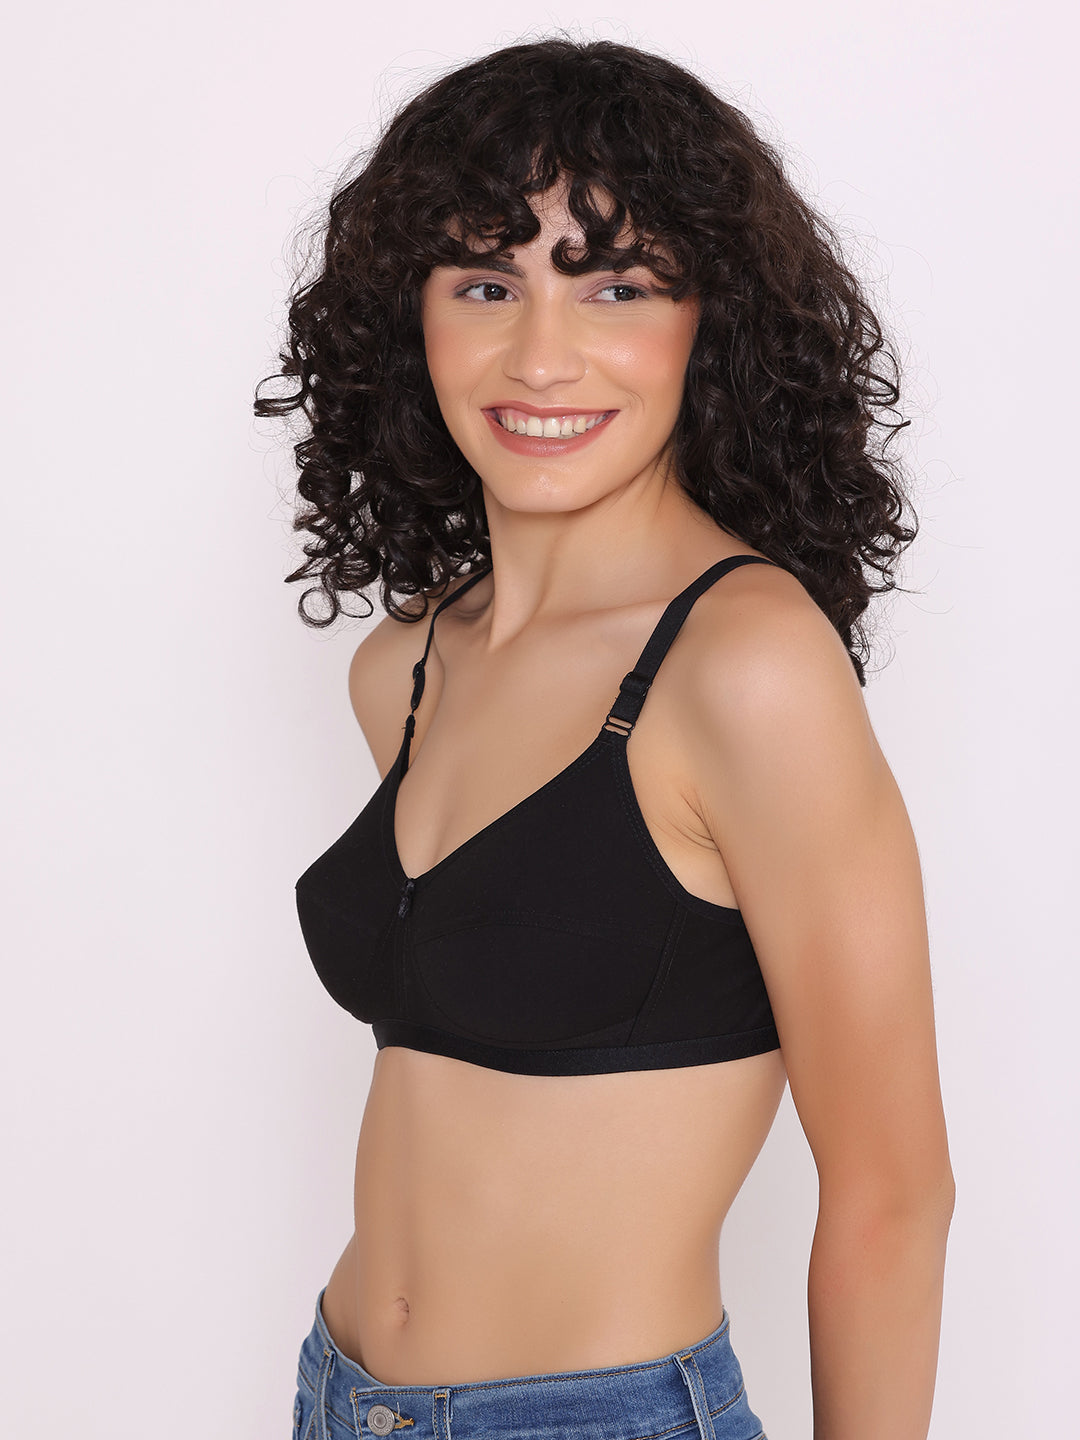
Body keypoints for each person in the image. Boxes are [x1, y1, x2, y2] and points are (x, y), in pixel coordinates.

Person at [256, 37, 955, 1440]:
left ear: (713, 325)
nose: (540, 355)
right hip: (339, 1399)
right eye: (485, 284)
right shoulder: (404, 668)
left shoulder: (745, 665)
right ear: (411, 318)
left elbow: (892, 1191)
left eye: (617, 287)